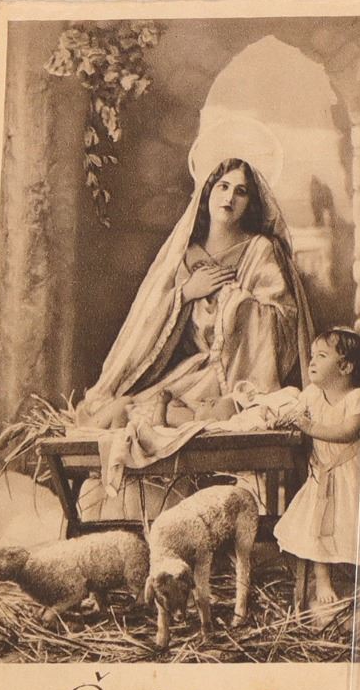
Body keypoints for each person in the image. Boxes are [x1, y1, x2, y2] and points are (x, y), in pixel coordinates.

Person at [75, 156, 313, 521]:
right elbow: (150, 322)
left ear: (250, 203)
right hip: (191, 370)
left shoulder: (260, 250)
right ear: (207, 192)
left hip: (234, 375)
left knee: (180, 418)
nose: (229, 198)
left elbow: (281, 317)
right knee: (130, 412)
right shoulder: (186, 252)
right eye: (222, 187)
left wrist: (233, 302)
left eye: (241, 191)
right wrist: (186, 293)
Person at [273, 328, 360, 619]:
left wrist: (309, 427)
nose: (312, 361)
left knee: (358, 523)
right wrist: (285, 417)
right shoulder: (312, 395)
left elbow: (348, 432)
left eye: (321, 356)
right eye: (312, 355)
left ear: (345, 367)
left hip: (356, 474)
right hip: (324, 472)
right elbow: (295, 411)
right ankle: (323, 579)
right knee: (317, 525)